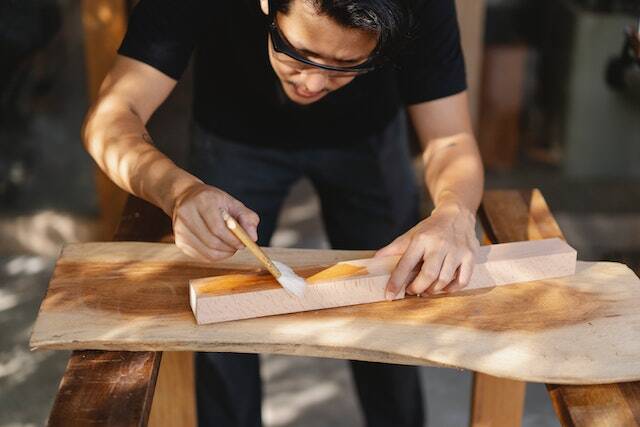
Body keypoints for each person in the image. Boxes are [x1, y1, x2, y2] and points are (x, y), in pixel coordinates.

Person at [82, 0, 484, 425]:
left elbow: (452, 140)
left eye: (346, 64)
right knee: (222, 313)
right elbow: (109, 120)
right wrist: (178, 192)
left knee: (393, 298)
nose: (312, 83)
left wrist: (455, 215)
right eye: (297, 54)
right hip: (234, 130)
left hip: (366, 135)